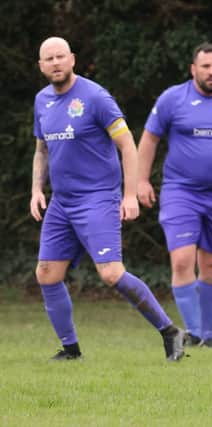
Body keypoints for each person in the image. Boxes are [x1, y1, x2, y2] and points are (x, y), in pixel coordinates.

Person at [30, 37, 185, 361]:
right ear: (41, 66)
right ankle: (71, 351)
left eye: (60, 56)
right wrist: (36, 190)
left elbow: (128, 145)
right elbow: (41, 150)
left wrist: (129, 195)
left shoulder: (96, 97)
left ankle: (170, 332)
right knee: (47, 274)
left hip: (97, 198)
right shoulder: (42, 100)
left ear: (72, 59)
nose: (56, 63)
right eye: (49, 59)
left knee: (111, 273)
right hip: (61, 202)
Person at [137, 42, 212, 348]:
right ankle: (194, 332)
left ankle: (210, 336)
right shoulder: (173, 98)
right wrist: (141, 180)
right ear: (193, 69)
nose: (211, 72)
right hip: (180, 192)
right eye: (205, 66)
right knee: (183, 260)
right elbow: (149, 139)